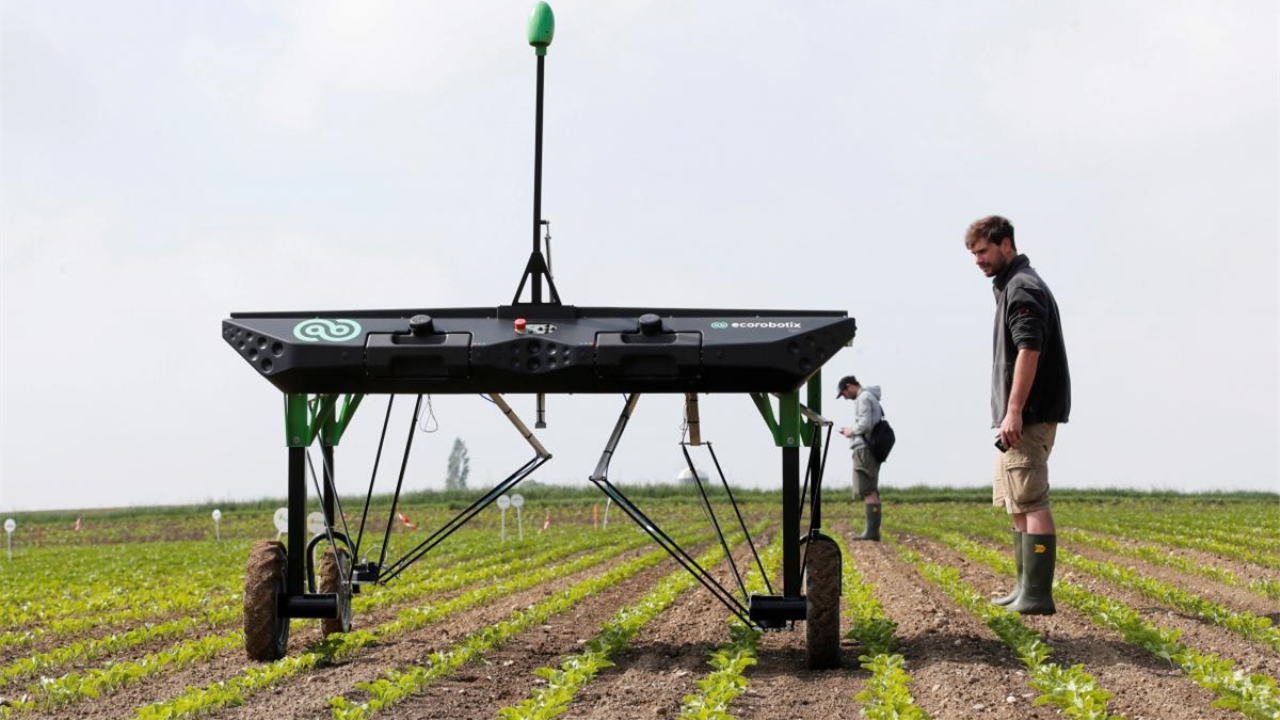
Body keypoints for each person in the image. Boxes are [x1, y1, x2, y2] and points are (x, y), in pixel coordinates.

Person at [965, 215, 1071, 615]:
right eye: (973, 254)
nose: (978, 260)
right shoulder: (1011, 286)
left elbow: (1029, 349)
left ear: (1006, 244)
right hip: (1018, 415)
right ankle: (1024, 587)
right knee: (1014, 498)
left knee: (1031, 497)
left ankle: (1038, 595)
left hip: (1028, 413)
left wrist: (1014, 411)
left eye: (983, 251)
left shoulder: (1023, 287)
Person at [836, 375, 884, 541]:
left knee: (867, 488)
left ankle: (872, 532)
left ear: (849, 386)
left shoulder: (863, 398)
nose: (845, 397)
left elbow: (865, 424)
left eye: (844, 393)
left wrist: (851, 430)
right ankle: (872, 531)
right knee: (869, 487)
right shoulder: (869, 397)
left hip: (864, 449)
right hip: (868, 447)